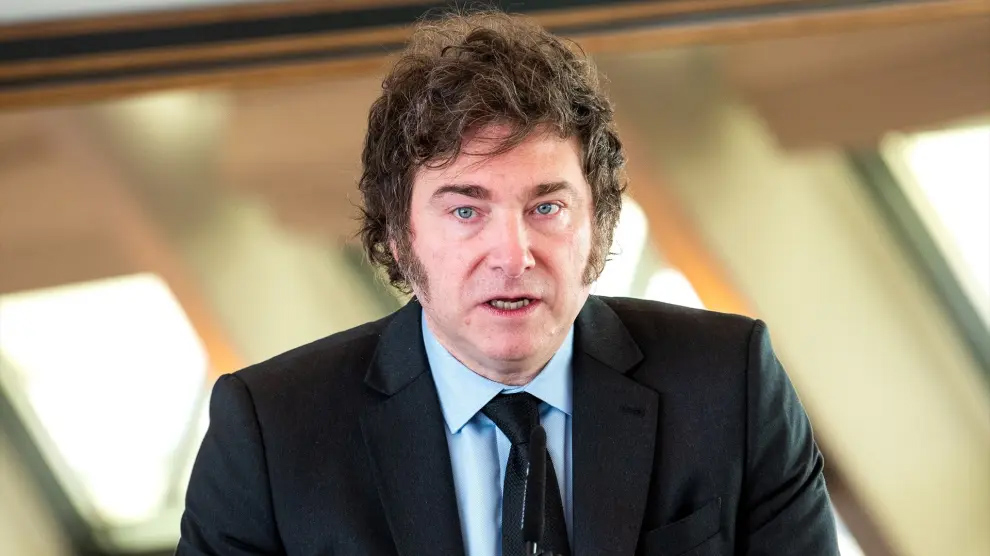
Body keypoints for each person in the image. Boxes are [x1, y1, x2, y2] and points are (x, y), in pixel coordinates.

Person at [177, 10, 839, 556]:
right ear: (400, 236)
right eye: (467, 212)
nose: (513, 255)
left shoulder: (729, 384)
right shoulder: (271, 435)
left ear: (598, 224)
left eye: (546, 207)